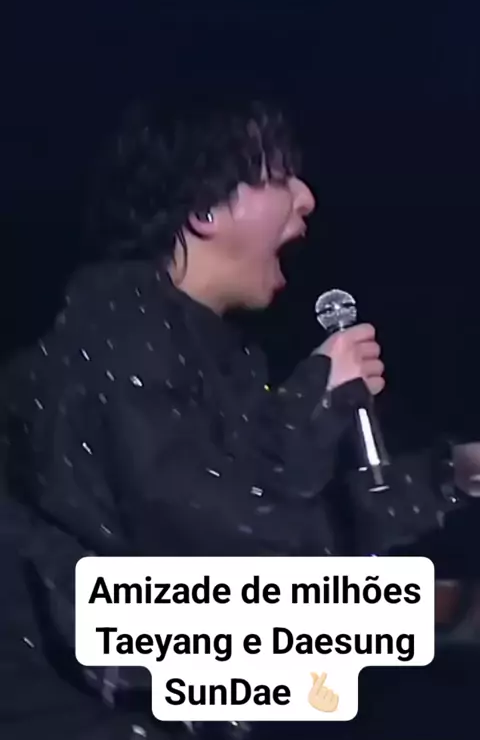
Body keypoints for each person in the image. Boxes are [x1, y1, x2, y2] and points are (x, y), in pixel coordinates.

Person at [0, 99, 464, 738]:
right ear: (205, 212)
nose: (306, 198)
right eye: (277, 176)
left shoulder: (216, 357)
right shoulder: (116, 329)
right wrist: (317, 400)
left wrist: (453, 472)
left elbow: (285, 512)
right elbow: (214, 541)